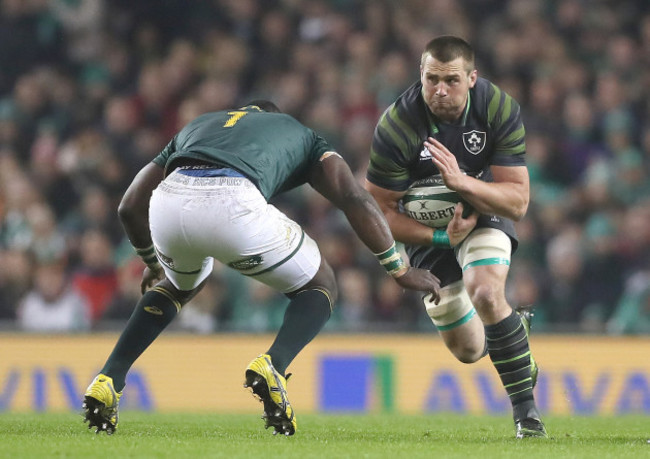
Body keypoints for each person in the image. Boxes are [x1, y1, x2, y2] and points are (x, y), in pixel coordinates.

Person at [82, 100, 476, 436]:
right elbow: (353, 196)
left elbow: (129, 204)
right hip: (233, 200)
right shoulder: (300, 134)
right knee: (321, 283)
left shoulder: (198, 126)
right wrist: (399, 270)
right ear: (273, 116)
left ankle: (109, 378)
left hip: (169, 203)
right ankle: (274, 364)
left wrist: (152, 262)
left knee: (180, 284)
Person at [364, 36, 547, 438]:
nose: (440, 89)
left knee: (485, 292)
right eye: (432, 79)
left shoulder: (497, 108)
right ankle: (512, 335)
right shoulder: (396, 125)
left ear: (472, 78)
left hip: (482, 214)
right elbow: (378, 214)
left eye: (451, 80)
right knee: (467, 350)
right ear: (421, 76)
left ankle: (527, 417)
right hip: (429, 233)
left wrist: (463, 184)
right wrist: (441, 238)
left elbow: (517, 202)